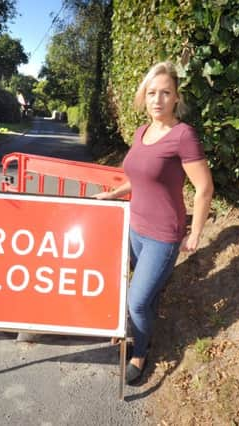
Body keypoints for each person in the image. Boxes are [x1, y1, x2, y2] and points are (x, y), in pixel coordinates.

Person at [94, 61, 214, 385]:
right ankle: (136, 325)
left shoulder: (183, 135)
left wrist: (196, 232)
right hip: (135, 227)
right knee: (139, 293)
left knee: (137, 300)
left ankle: (141, 350)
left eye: (165, 93)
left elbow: (204, 187)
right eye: (152, 93)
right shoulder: (141, 133)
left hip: (163, 234)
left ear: (176, 98)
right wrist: (114, 194)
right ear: (143, 97)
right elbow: (139, 178)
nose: (158, 99)